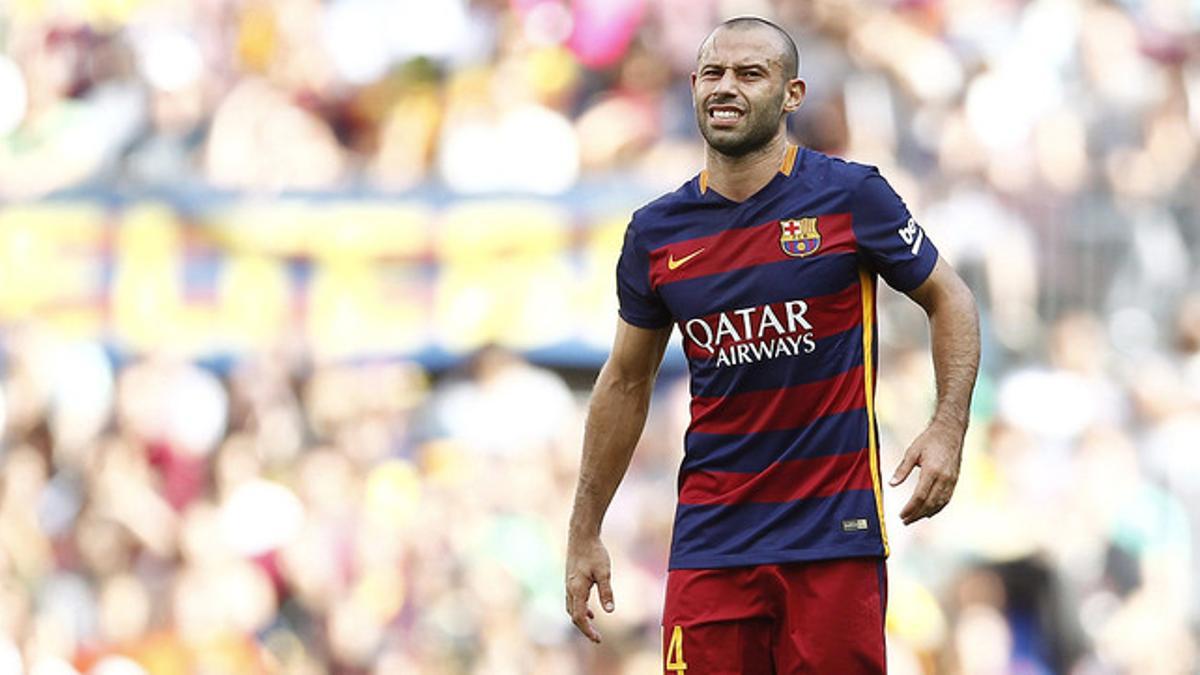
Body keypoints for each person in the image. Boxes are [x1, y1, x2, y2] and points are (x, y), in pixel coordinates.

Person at [564, 15, 981, 674]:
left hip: (833, 538)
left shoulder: (850, 196)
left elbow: (949, 296)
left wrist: (949, 423)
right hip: (711, 543)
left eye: (749, 73)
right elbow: (624, 383)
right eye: (712, 73)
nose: (725, 87)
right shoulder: (655, 233)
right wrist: (585, 528)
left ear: (792, 94)